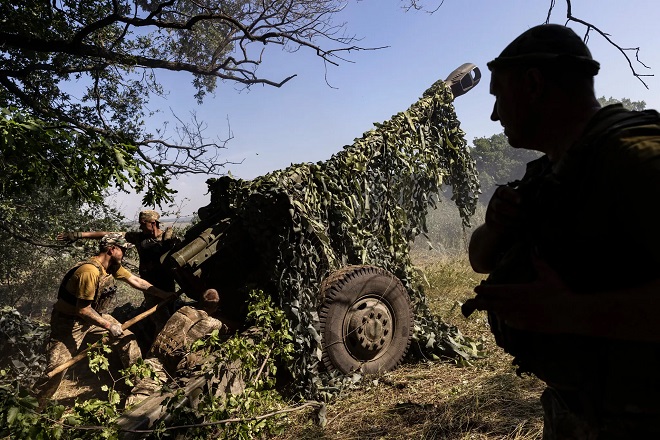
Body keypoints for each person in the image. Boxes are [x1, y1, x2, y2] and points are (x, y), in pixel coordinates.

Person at [462, 24, 660, 439]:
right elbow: (480, 260)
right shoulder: (556, 171)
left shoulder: (636, 160)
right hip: (583, 411)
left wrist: (571, 313)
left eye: (498, 96)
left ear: (533, 85)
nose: (495, 115)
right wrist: (496, 225)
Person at [35, 233, 177, 403]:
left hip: (93, 318)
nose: (125, 254)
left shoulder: (111, 267)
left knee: (127, 340)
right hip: (70, 324)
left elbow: (136, 281)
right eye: (123, 250)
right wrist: (109, 326)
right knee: (56, 370)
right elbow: (83, 310)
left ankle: (141, 387)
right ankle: (34, 406)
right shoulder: (89, 272)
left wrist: (164, 295)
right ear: (112, 249)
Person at [58, 210, 181, 349]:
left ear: (152, 223)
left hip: (165, 285)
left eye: (142, 224)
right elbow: (108, 235)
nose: (140, 227)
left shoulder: (168, 238)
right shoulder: (138, 238)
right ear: (111, 250)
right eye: (122, 249)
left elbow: (180, 258)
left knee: (170, 318)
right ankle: (158, 353)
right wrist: (79, 235)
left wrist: (172, 242)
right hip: (149, 287)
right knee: (161, 322)